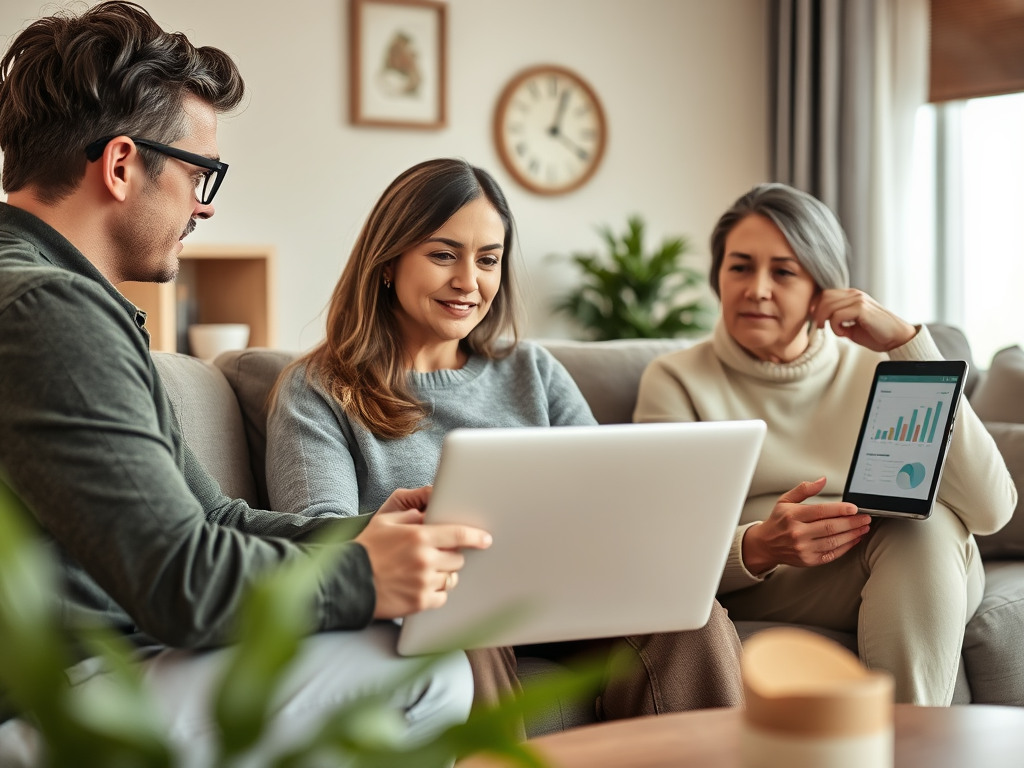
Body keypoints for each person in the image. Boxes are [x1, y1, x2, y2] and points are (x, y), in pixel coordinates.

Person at [0, 3, 490, 764]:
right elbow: (179, 583)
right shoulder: (45, 309)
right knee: (421, 672)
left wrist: (362, 532)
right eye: (201, 172)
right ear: (122, 163)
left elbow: (214, 519)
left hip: (104, 668)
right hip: (55, 699)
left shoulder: (59, 300)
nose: (206, 203)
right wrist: (366, 576)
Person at [265, 157, 746, 736]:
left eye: (487, 260)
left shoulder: (532, 371)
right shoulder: (318, 388)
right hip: (437, 605)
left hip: (565, 594)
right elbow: (318, 534)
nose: (470, 281)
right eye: (444, 255)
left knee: (690, 619)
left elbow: (607, 492)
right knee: (460, 623)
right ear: (388, 262)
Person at [634, 183, 1017, 706]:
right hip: (777, 583)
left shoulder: (882, 367)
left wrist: (908, 344)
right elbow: (659, 544)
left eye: (784, 271)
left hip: (906, 569)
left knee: (925, 531)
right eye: (739, 267)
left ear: (826, 287)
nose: (758, 289)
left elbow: (991, 510)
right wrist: (760, 544)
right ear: (717, 276)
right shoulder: (676, 378)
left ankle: (908, 749)